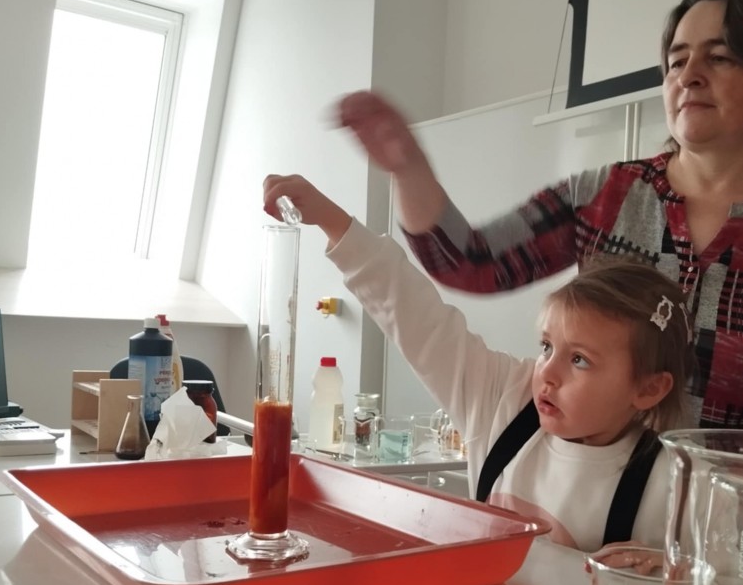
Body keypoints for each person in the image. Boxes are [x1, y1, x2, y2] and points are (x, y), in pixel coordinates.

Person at [336, 0, 743, 431]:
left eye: (719, 57)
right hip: (597, 473)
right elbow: (473, 262)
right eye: (677, 61)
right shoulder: (606, 193)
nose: (688, 76)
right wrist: (408, 166)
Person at [263, 174, 695, 557]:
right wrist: (331, 219)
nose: (548, 373)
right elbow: (416, 318)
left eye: (580, 360)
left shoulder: (675, 487)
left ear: (648, 388)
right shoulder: (505, 399)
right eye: (547, 347)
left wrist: (668, 577)